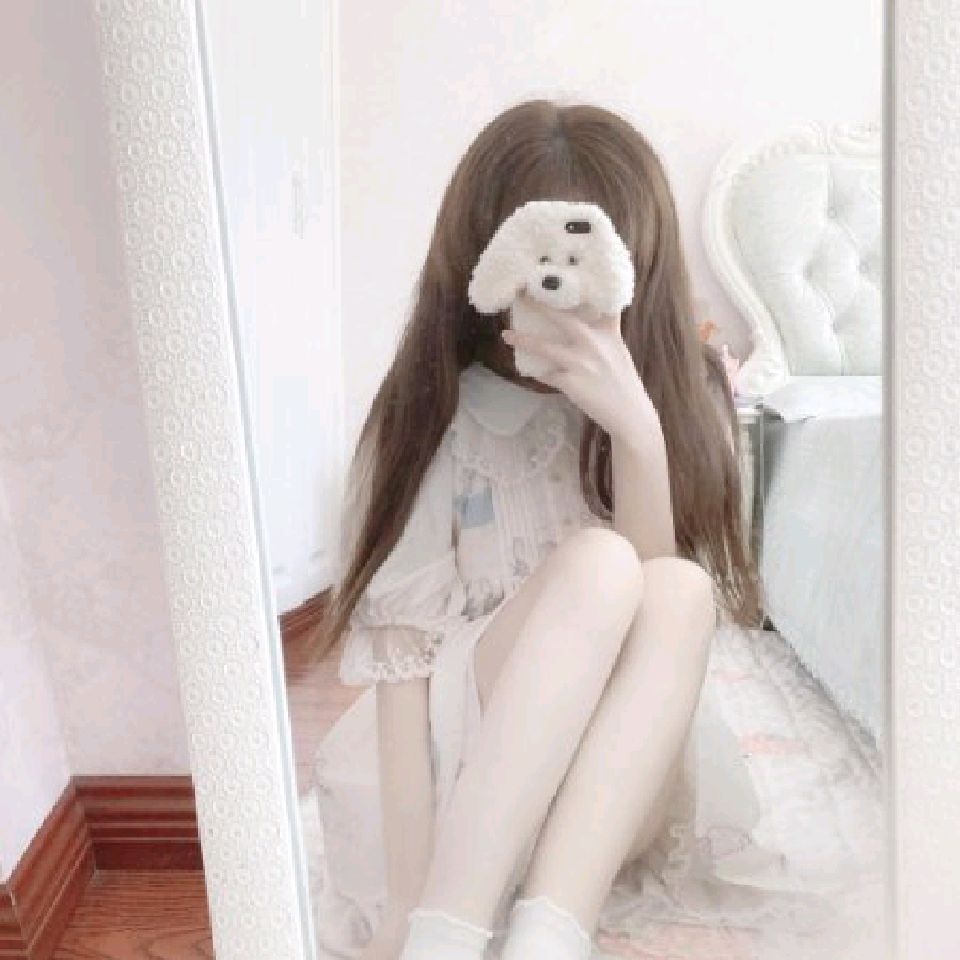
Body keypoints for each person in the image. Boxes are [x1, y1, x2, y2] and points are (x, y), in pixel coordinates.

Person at [311, 99, 852, 960]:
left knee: (677, 586)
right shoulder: (433, 415)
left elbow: (655, 622)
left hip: (605, 805)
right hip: (468, 791)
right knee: (600, 563)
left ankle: (550, 933)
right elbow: (402, 669)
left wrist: (636, 429)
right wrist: (407, 906)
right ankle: (449, 929)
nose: (558, 291)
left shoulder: (678, 398)